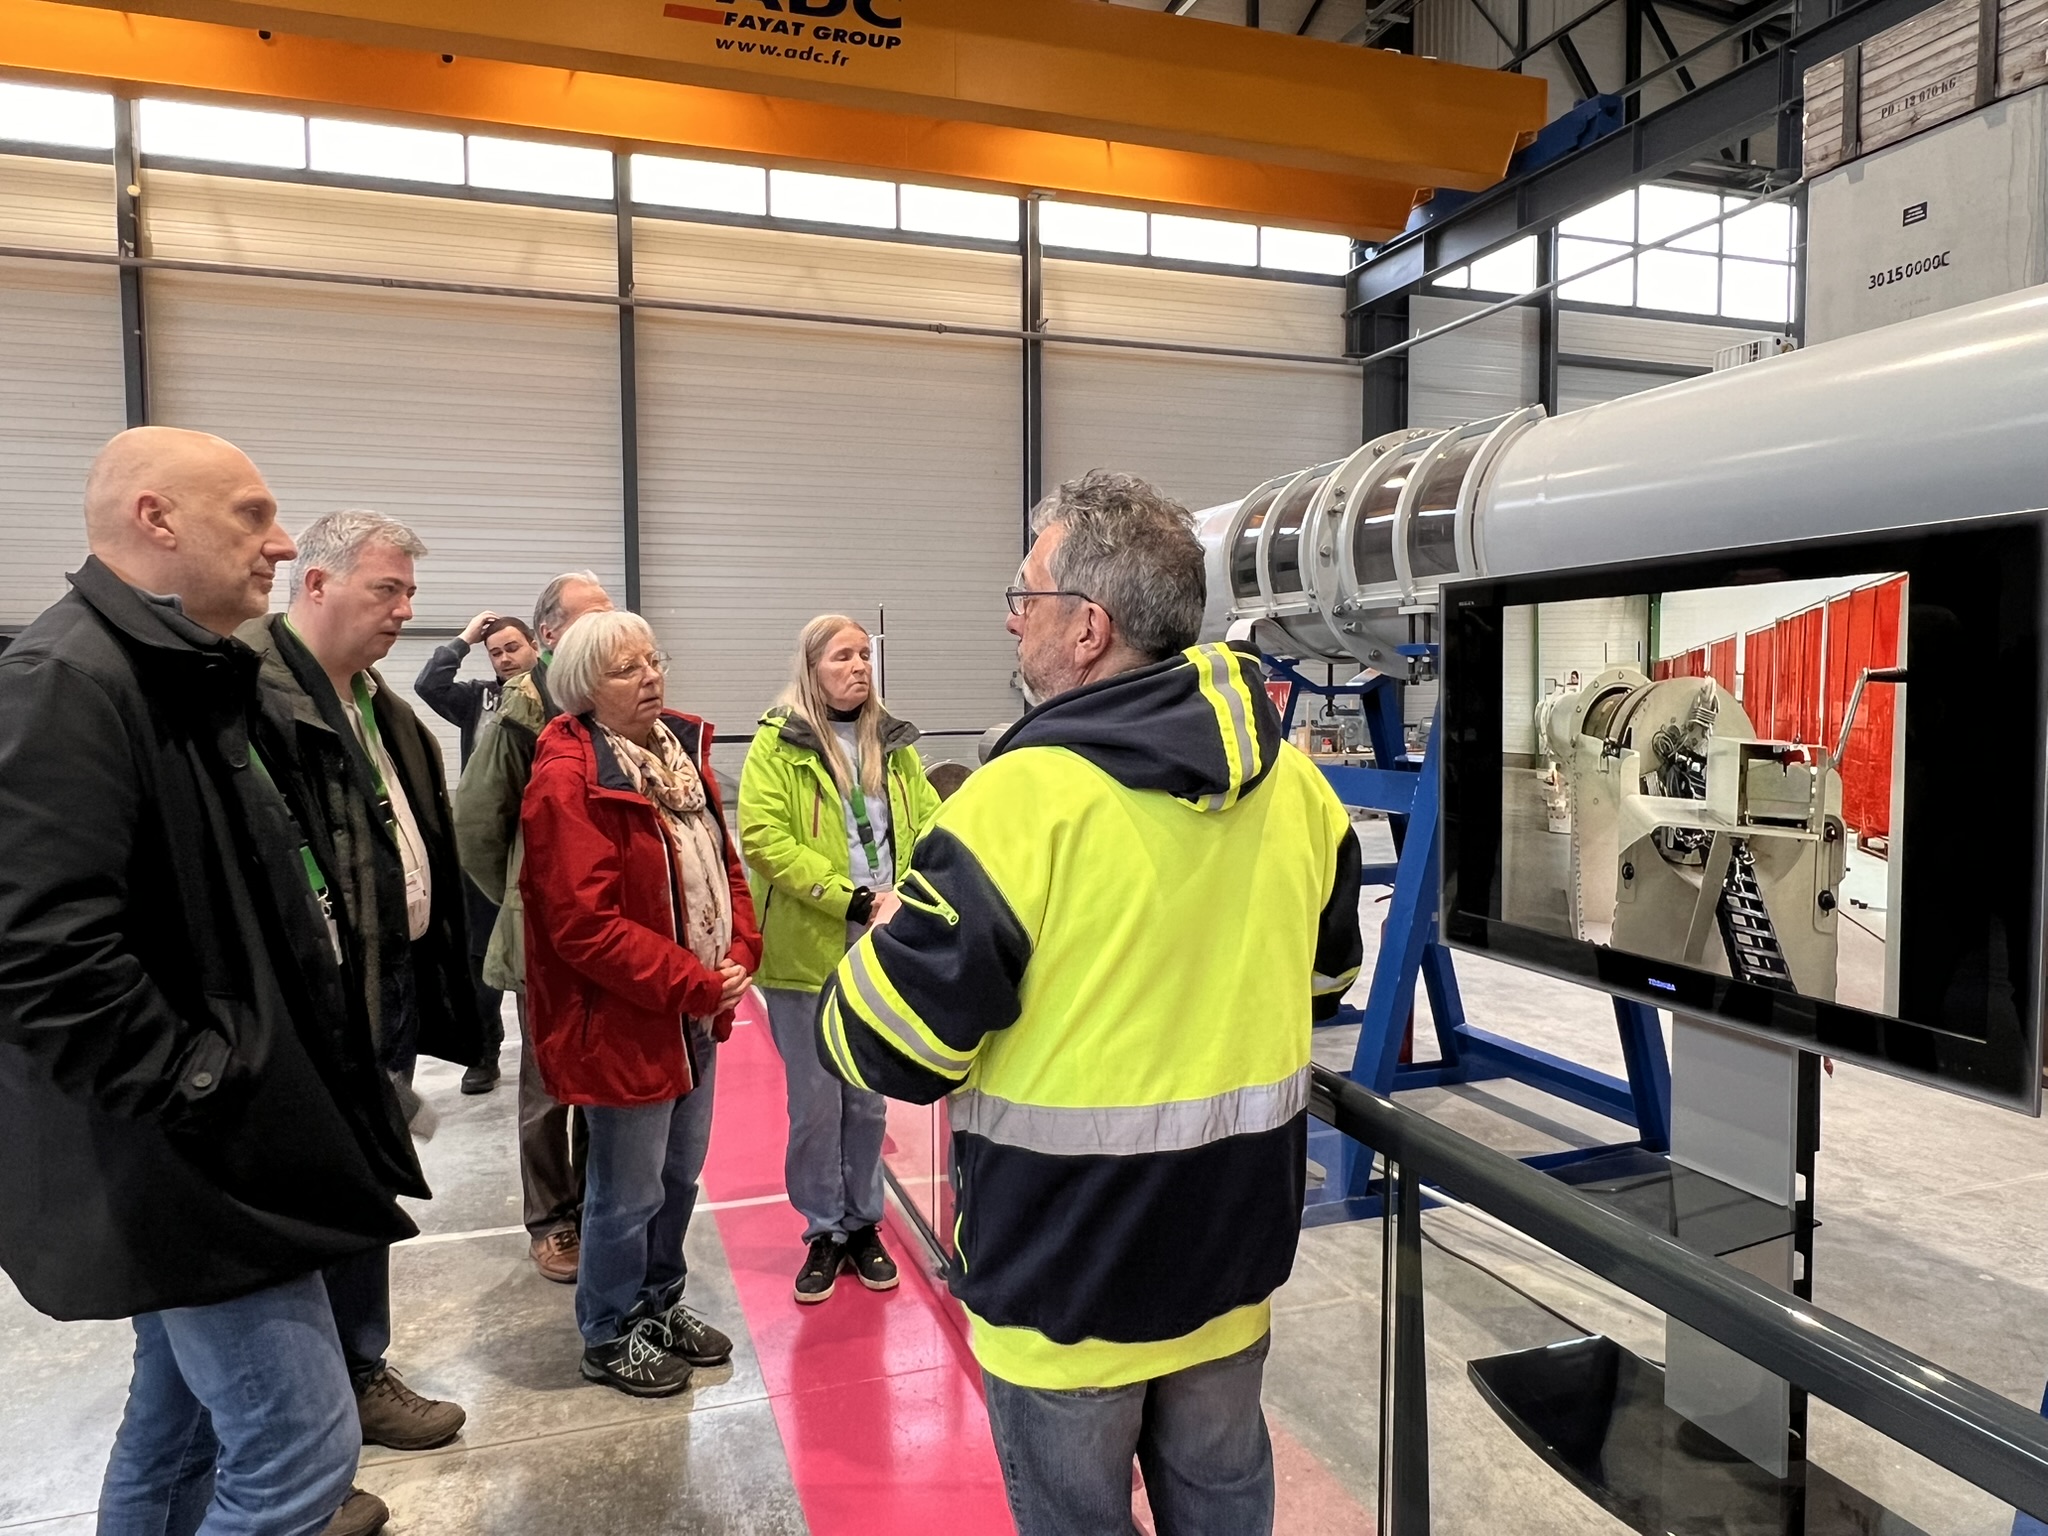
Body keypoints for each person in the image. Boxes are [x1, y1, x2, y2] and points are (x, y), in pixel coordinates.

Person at [816, 470, 1364, 1536]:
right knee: (1224, 1507)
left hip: (1066, 1276)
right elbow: (1326, 980)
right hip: (1229, 1255)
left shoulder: (1018, 803)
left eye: (1024, 596)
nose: (1011, 620)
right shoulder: (1298, 788)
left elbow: (887, 1047)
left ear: (1086, 628)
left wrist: (878, 942)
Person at [0, 428, 424, 1536]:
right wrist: (207, 1084)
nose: (280, 543)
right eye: (251, 515)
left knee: (179, 1422)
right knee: (300, 1453)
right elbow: (41, 954)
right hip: (191, 1159)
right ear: (156, 518)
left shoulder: (181, 673)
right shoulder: (67, 681)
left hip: (206, 1143)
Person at [239, 511, 482, 1472]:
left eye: (409, 592)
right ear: (317, 584)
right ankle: (307, 1422)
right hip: (309, 1010)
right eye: (387, 590)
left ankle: (357, 1371)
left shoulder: (379, 705)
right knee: (311, 1203)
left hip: (387, 992)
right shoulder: (252, 701)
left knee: (369, 1184)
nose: (406, 610)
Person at [517, 611, 759, 1396]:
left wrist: (743, 948)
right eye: (628, 669)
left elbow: (725, 866)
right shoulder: (567, 779)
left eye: (654, 661)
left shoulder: (679, 757)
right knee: (626, 1195)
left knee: (680, 1176)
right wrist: (695, 980)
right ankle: (609, 1329)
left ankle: (658, 1302)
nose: (651, 676)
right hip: (625, 1022)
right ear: (584, 688)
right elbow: (583, 927)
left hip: (693, 1012)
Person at [739, 615, 940, 1302]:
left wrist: (908, 892)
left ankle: (864, 1223)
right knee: (817, 1103)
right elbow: (764, 838)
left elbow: (929, 823)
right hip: (809, 947)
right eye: (841, 657)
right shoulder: (780, 743)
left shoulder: (894, 743)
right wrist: (848, 897)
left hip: (881, 943)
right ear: (812, 668)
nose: (858, 667)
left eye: (863, 655)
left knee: (869, 1100)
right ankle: (823, 1229)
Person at [456, 571, 613, 1282]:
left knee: (605, 1078)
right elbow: (476, 823)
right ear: (549, 633)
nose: (605, 627)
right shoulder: (523, 704)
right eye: (588, 617)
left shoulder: (609, 699)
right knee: (548, 1084)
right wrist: (527, 900)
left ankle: (600, 1204)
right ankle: (552, 1220)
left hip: (611, 929)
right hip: (546, 935)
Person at [416, 612, 540, 1096]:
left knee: (536, 951)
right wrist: (464, 639)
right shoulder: (478, 699)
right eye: (496, 652)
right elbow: (429, 684)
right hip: (485, 841)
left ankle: (543, 1055)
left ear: (534, 645)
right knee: (480, 952)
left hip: (536, 840)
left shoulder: (553, 695)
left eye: (513, 647)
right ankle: (484, 1051)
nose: (505, 658)